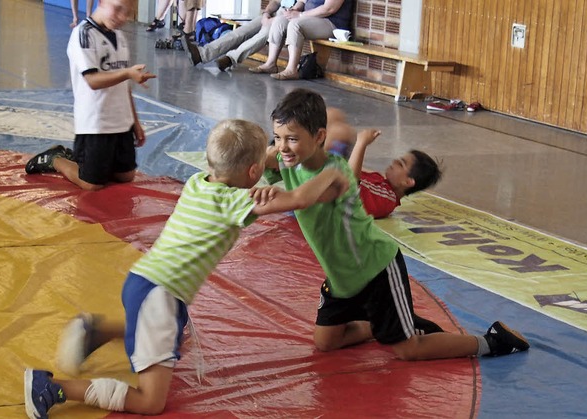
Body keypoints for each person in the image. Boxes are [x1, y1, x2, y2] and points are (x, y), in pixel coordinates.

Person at [23, 119, 349, 418]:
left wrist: (275, 152)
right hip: (160, 296)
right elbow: (300, 200)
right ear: (253, 172)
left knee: (172, 338)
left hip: (146, 283)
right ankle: (53, 388)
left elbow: (246, 164)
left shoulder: (198, 181)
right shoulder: (233, 202)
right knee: (151, 401)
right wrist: (332, 171)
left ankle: (97, 332)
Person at [265, 88, 530, 362]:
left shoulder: (338, 172)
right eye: (278, 138)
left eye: (292, 139)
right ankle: (383, 323)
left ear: (319, 137)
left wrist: (242, 200)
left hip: (375, 268)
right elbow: (262, 160)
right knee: (326, 343)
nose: (283, 146)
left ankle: (491, 341)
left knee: (407, 349)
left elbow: (299, 199)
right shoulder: (289, 159)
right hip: (342, 276)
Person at [24, 0, 157, 191]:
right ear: (101, 2)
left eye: (127, 13)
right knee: (91, 184)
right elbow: (93, 80)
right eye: (117, 9)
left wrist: (134, 122)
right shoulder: (84, 33)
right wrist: (128, 73)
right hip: (96, 123)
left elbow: (123, 84)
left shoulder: (118, 36)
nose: (122, 17)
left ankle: (89, 161)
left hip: (121, 121)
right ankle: (56, 159)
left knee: (126, 176)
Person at [325, 107, 443, 219]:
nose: (395, 161)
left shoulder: (387, 200)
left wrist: (361, 143)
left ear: (407, 182)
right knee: (334, 115)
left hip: (330, 193)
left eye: (401, 164)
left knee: (340, 132)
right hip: (332, 175)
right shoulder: (379, 179)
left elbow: (349, 186)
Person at [250, 0, 354, 80]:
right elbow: (303, 1)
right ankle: (270, 64)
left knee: (295, 25)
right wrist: (293, 11)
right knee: (279, 20)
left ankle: (291, 69)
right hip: (310, 18)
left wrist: (300, 15)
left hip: (332, 23)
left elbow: (329, 9)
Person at [182, 0, 296, 72]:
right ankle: (202, 54)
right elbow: (275, 2)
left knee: (264, 34)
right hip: (277, 13)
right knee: (242, 31)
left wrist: (273, 20)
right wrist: (266, 14)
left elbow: (297, 12)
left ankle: (231, 58)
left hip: (290, 19)